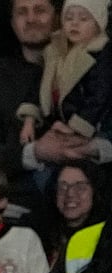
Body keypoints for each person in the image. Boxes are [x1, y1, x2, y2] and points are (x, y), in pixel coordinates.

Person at [0, 0, 72, 225]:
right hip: (15, 211)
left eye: (40, 10)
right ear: (12, 22)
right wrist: (35, 152)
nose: (31, 19)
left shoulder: (92, 70)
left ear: (58, 17)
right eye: (22, 12)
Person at [17, 0, 112, 159]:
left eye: (83, 19)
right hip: (56, 125)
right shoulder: (54, 52)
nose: (74, 23)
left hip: (95, 126)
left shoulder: (102, 55)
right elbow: (38, 88)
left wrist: (76, 128)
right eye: (68, 18)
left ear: (98, 24)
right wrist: (29, 119)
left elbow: (99, 97)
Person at [42, 161, 103, 271]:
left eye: (80, 187)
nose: (70, 193)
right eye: (62, 187)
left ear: (95, 192)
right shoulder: (40, 235)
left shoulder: (106, 238)